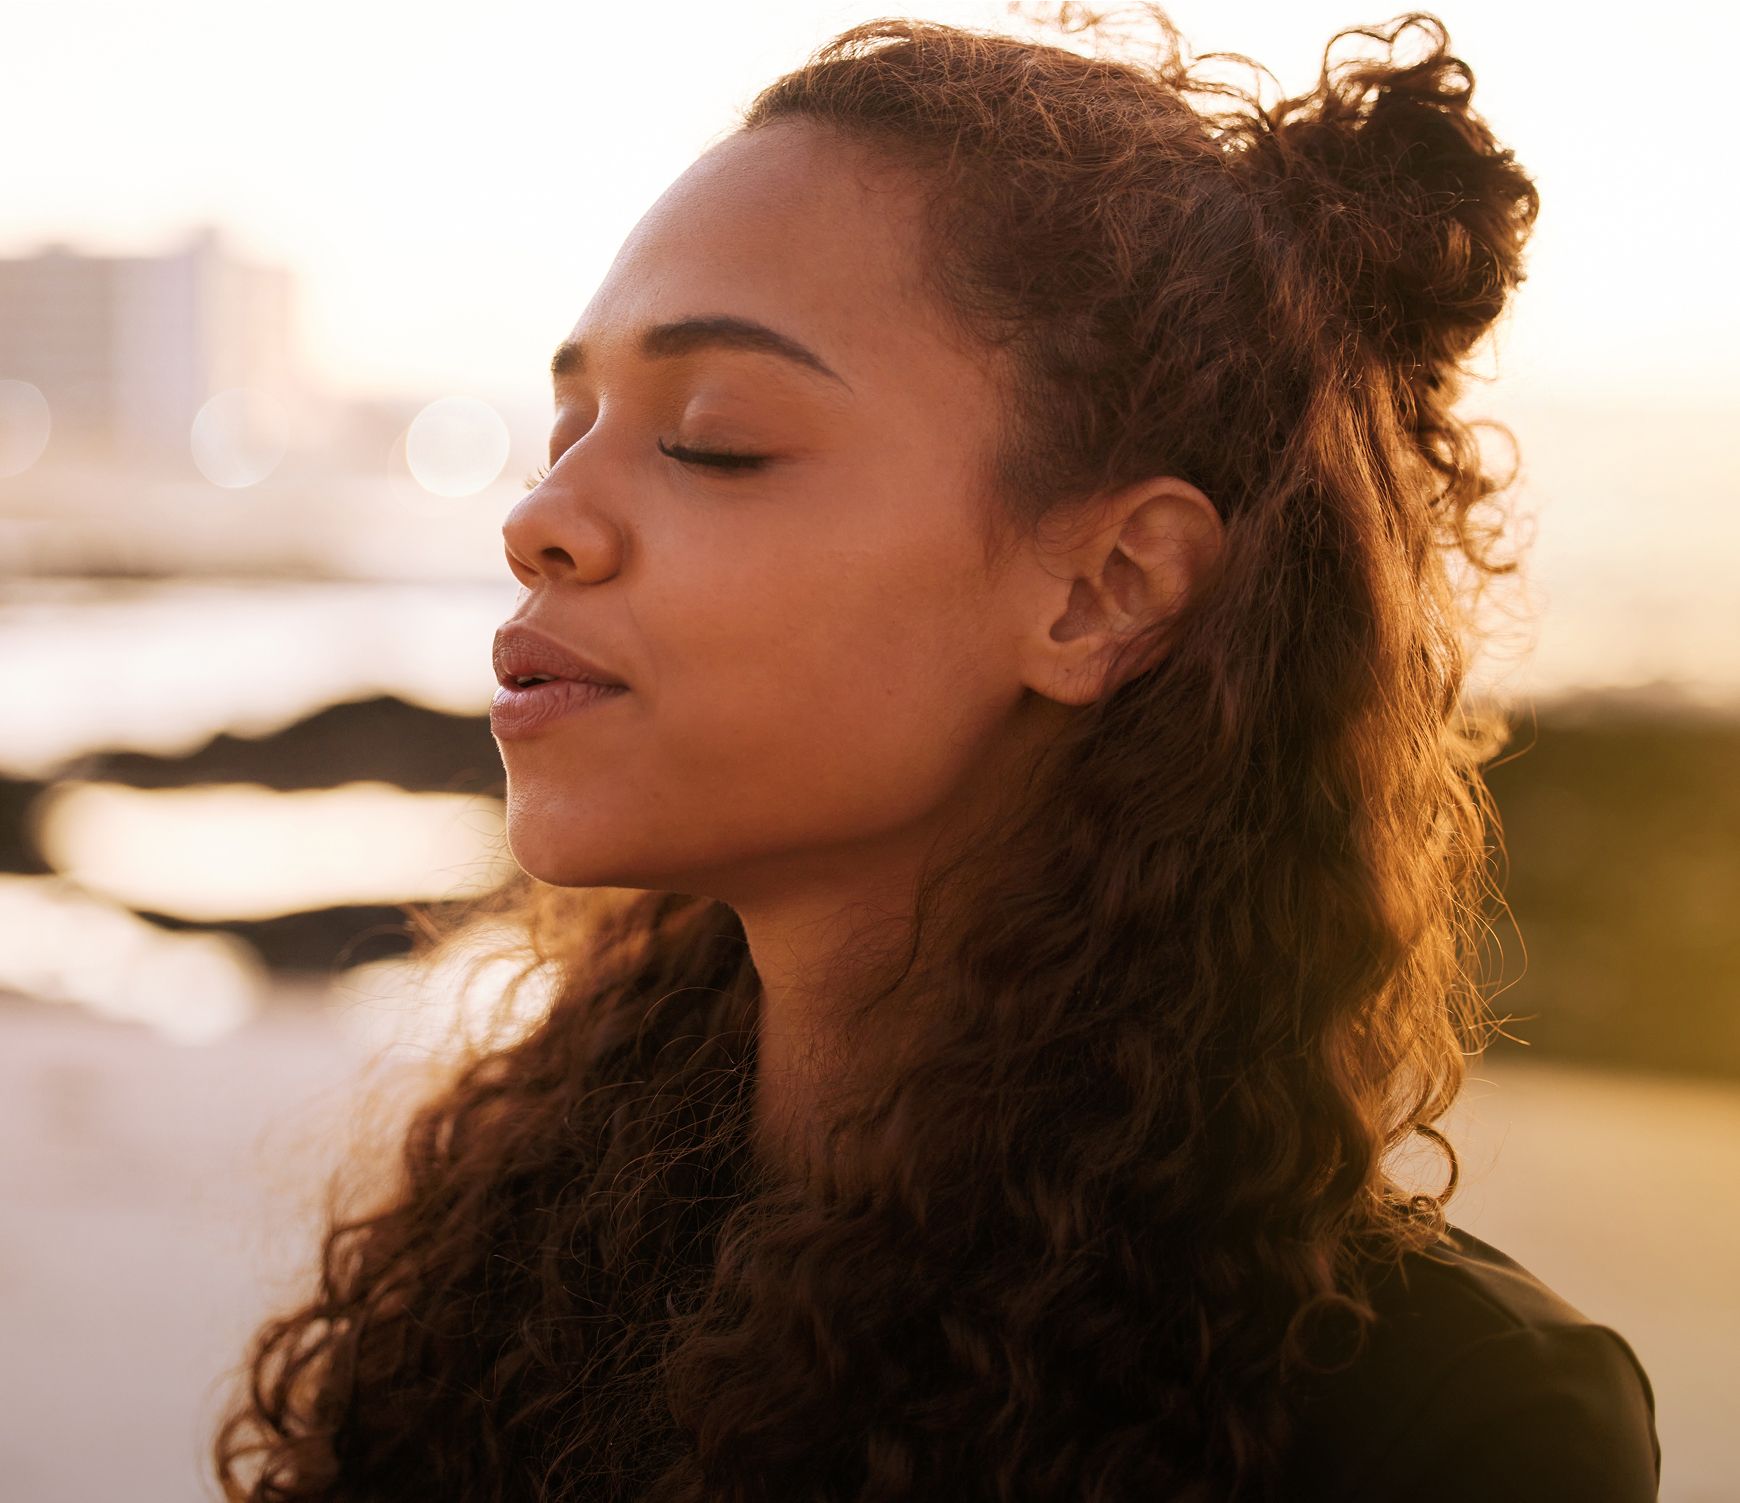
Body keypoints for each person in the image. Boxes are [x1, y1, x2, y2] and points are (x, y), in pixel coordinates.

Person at [212, 5, 1661, 1499]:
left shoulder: (1446, 1429)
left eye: (714, 437)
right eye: (567, 428)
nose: (539, 518)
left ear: (1107, 592)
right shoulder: (525, 1255)